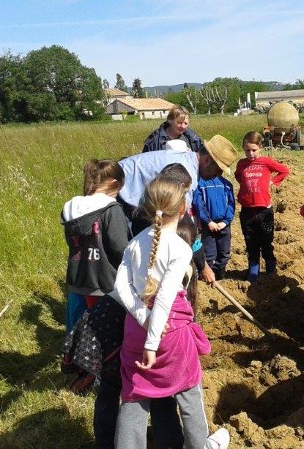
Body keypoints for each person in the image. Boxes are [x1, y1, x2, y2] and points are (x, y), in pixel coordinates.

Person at [113, 176, 230, 449]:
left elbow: (120, 287)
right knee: (189, 394)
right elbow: (164, 298)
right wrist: (153, 341)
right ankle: (201, 445)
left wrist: (142, 316)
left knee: (133, 397)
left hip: (134, 331)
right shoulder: (179, 247)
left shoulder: (135, 243)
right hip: (170, 335)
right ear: (182, 210)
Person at [118, 134, 239, 286]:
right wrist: (203, 266)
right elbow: (182, 224)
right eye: (219, 169)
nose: (219, 174)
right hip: (121, 191)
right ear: (207, 160)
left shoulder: (188, 162)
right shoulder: (185, 174)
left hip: (132, 194)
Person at [62, 159, 130, 332]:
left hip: (77, 282)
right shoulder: (112, 210)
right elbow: (120, 248)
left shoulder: (70, 210)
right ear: (114, 183)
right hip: (104, 285)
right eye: (119, 189)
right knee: (102, 338)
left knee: (76, 333)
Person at [234, 131, 290, 282]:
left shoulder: (266, 162)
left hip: (264, 210)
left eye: (254, 150)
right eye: (247, 150)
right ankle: (253, 268)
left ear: (260, 147)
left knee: (266, 240)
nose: (251, 153)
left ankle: (271, 266)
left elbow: (284, 171)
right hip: (247, 210)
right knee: (250, 241)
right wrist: (246, 188)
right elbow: (238, 176)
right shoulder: (242, 164)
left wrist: (272, 182)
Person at [193, 169, 235, 281]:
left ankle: (220, 275)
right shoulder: (200, 184)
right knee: (209, 253)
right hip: (208, 224)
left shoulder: (226, 184)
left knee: (224, 252)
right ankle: (207, 276)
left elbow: (231, 204)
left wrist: (225, 221)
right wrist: (208, 221)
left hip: (223, 224)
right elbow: (199, 203)